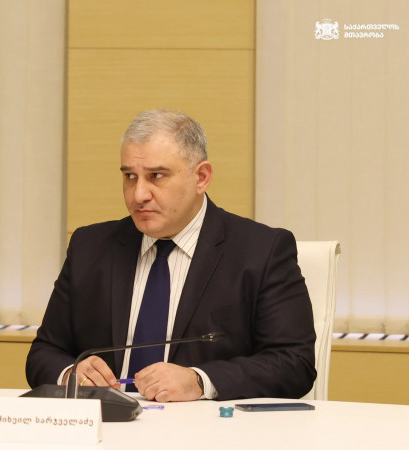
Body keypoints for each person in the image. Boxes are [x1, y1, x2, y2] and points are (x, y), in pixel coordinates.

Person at [26, 109, 316, 402]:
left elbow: (294, 363)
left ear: (201, 177)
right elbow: (44, 353)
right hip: (107, 423)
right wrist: (71, 374)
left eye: (157, 176)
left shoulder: (261, 251)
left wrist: (200, 381)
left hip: (206, 426)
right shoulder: (90, 247)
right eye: (130, 176)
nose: (138, 195)